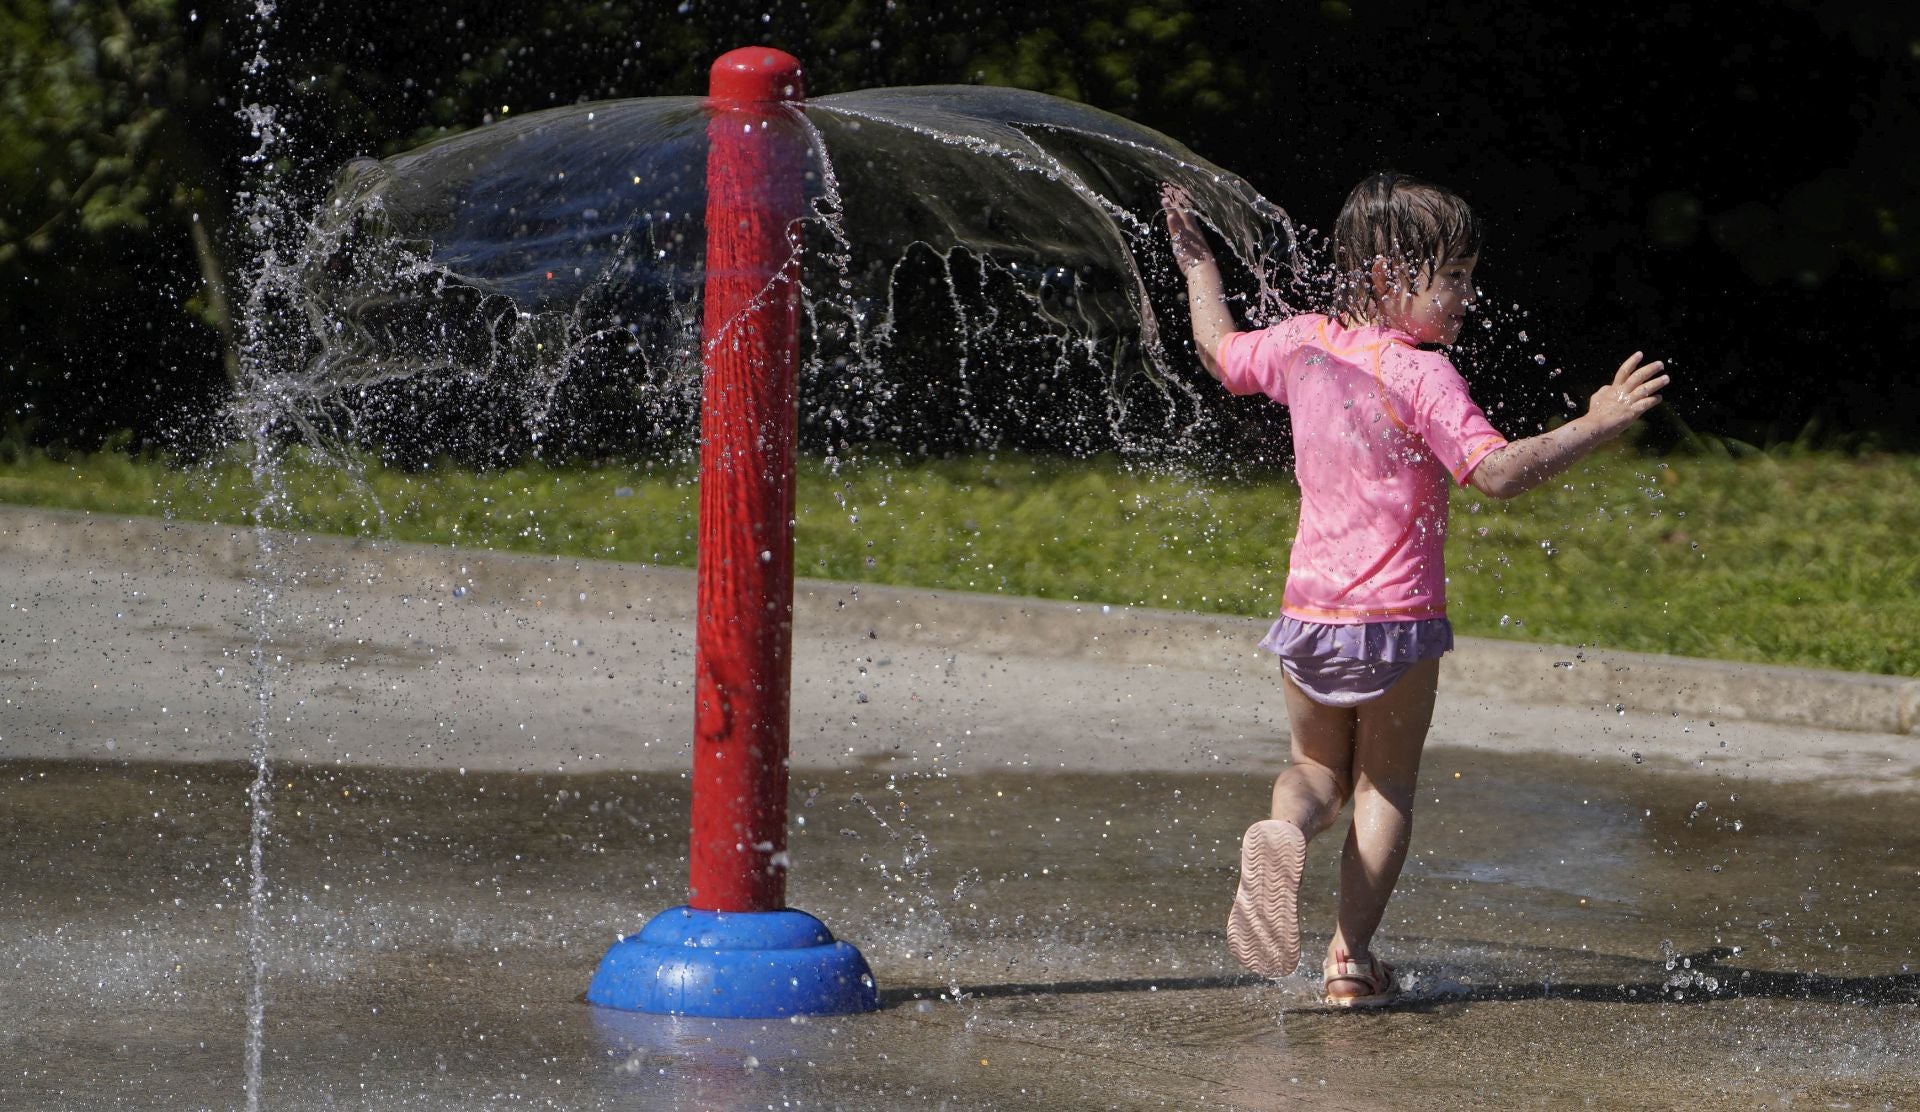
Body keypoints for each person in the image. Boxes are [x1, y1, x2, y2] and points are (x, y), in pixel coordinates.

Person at [1161, 172, 1668, 1008]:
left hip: (1307, 617)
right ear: (1391, 277)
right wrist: (1598, 423)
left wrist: (1196, 268)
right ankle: (1349, 962)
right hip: (1396, 623)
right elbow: (1496, 473)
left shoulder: (1301, 345)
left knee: (1313, 768)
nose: (1471, 295)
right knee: (1385, 785)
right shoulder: (1424, 375)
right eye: (1456, 277)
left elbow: (1220, 350)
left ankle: (1283, 830)